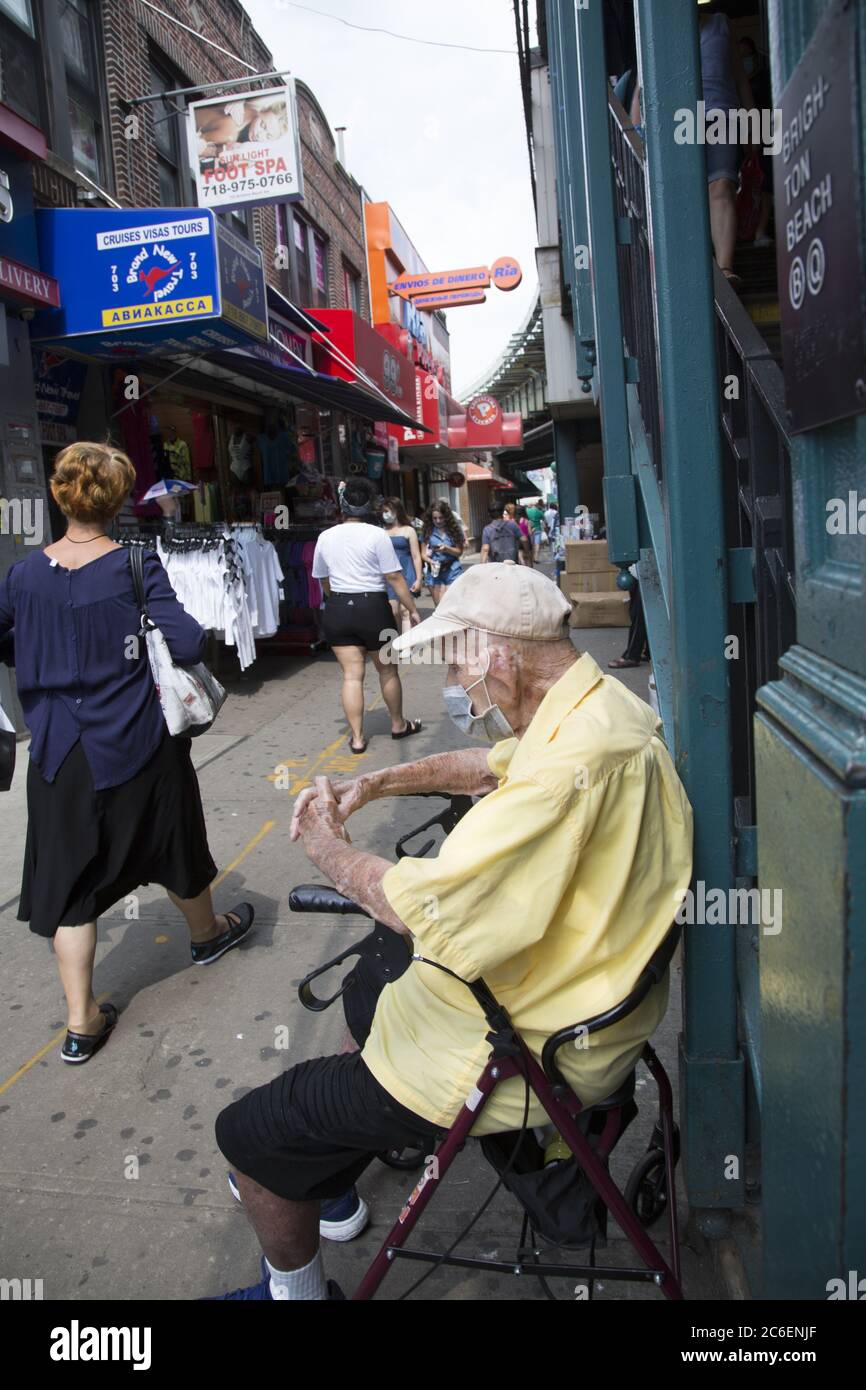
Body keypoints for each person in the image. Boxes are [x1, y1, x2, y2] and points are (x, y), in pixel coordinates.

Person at [209, 563, 693, 1299]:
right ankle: (329, 1174)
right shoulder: (597, 710)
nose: (459, 682)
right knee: (372, 974)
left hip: (527, 1044)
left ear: (499, 654)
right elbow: (486, 768)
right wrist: (372, 783)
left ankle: (295, 1292)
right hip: (584, 1001)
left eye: (461, 660)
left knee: (247, 1134)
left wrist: (329, 851)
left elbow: (416, 907)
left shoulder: (567, 767)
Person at [0, 443, 254, 1065]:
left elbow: (7, 642)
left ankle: (82, 1021)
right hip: (139, 740)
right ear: (116, 503)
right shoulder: (136, 566)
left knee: (69, 883)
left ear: (59, 496)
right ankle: (205, 934)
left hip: (59, 751)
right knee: (175, 841)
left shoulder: (24, 574)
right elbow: (189, 640)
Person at [312, 478, 422, 755]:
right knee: (387, 669)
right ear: (369, 506)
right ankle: (398, 724)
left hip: (338, 607)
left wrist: (334, 598)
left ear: (342, 504)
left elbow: (322, 579)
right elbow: (394, 577)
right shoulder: (377, 535)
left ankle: (358, 738)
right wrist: (412, 609)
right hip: (373, 607)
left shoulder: (325, 536)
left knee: (351, 676)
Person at [699, 8, 756, 287]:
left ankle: (724, 267)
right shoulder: (656, 23)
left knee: (722, 185)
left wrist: (752, 126)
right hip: (679, 120)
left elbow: (739, 76)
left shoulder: (722, 23)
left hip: (723, 114)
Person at [380, 496, 423, 634]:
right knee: (392, 610)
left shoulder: (408, 530)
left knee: (406, 610)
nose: (386, 514)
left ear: (397, 511)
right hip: (388, 574)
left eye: (389, 511)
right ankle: (399, 636)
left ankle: (406, 644)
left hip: (406, 571)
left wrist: (419, 578)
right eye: (384, 511)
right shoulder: (380, 532)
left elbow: (416, 556)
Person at [421, 500, 464, 606]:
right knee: (440, 606)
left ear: (446, 516)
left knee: (452, 604)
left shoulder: (454, 530)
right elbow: (422, 554)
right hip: (435, 571)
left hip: (452, 569)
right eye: (435, 518)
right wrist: (431, 561)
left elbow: (459, 552)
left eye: (441, 517)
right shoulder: (428, 531)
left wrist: (447, 549)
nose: (438, 521)